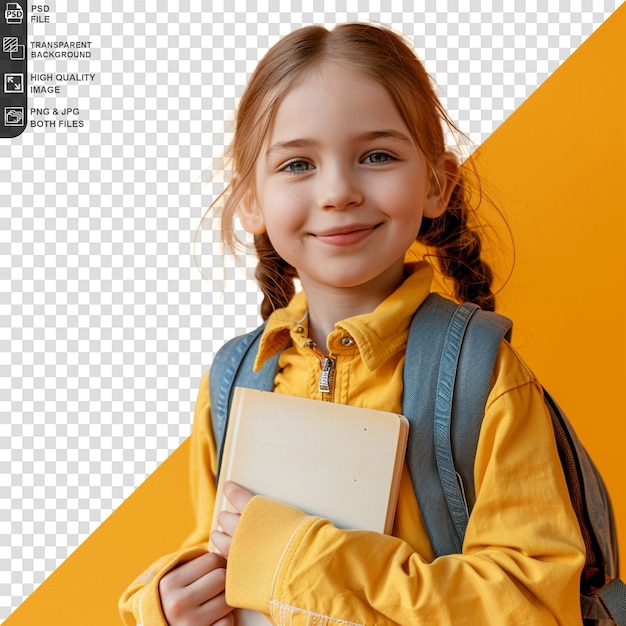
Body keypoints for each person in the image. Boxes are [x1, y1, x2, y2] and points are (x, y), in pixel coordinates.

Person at [119, 23, 585, 625]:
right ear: (251, 202)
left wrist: (301, 561)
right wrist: (164, 605)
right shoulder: (236, 379)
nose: (338, 191)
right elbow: (218, 555)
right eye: (297, 164)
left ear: (437, 183)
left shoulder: (481, 377)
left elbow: (533, 603)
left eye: (377, 156)